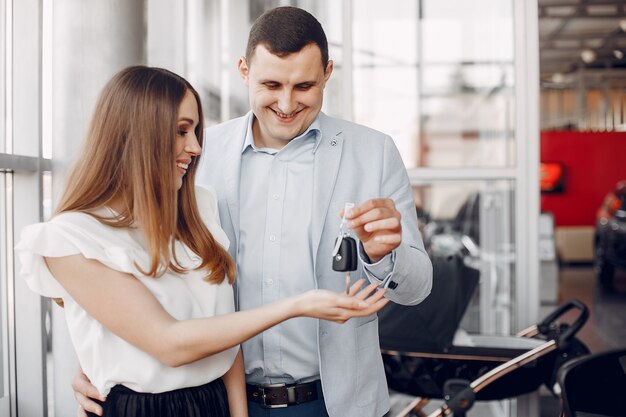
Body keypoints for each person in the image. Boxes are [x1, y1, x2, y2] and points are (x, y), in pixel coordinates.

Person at [74, 6, 433, 417]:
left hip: (336, 403)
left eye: (304, 86)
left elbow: (417, 287)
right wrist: (96, 363)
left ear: (328, 73)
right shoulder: (196, 154)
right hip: (221, 399)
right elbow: (136, 265)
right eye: (271, 84)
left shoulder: (374, 152)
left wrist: (383, 254)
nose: (286, 103)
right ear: (243, 70)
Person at [15, 65, 390, 417]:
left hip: (215, 401)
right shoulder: (67, 239)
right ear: (136, 135)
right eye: (181, 131)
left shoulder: (197, 211)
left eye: (195, 131)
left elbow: (226, 338)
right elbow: (169, 344)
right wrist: (297, 305)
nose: (195, 147)